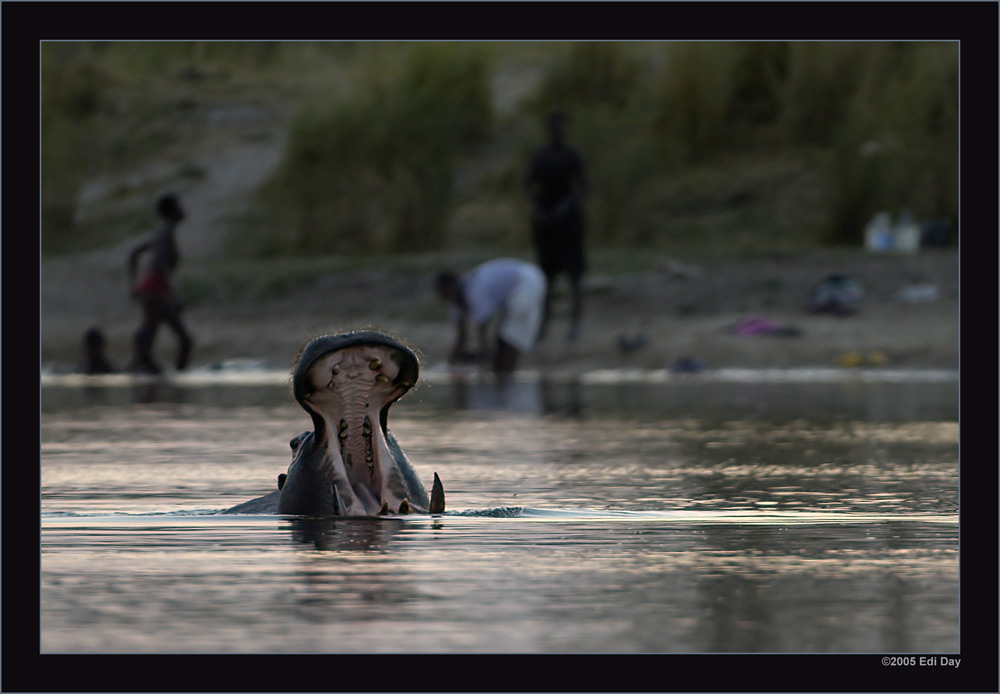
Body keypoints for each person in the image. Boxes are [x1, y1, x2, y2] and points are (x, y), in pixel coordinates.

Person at [524, 111, 588, 341]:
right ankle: (543, 327)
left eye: (560, 128)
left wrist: (565, 207)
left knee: (574, 277)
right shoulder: (540, 156)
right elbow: (528, 186)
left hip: (569, 223)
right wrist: (539, 210)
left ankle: (575, 325)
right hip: (546, 224)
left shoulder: (573, 155)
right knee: (546, 279)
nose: (557, 132)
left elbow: (584, 187)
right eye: (554, 128)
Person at [435, 258, 547, 375]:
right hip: (515, 289)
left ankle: (505, 373)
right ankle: (504, 374)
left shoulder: (475, 291)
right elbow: (462, 336)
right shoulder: (456, 301)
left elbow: (483, 327)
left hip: (526, 281)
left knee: (510, 337)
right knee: (505, 338)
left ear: (452, 287)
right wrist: (450, 364)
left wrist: (485, 354)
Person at [127, 193, 193, 374]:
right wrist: (174, 296)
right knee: (184, 339)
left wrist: (134, 285)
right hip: (156, 289)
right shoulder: (166, 233)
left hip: (151, 288)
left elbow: (134, 254)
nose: (183, 210)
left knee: (148, 337)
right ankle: (179, 377)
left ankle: (135, 371)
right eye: (179, 206)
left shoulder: (162, 232)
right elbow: (162, 266)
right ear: (172, 211)